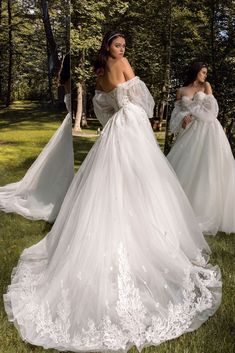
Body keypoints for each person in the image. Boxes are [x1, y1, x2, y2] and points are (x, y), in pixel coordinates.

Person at [4, 32, 221, 352]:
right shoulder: (120, 63)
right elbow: (142, 97)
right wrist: (134, 100)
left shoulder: (98, 72)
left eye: (124, 47)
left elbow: (101, 104)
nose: (122, 50)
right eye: (118, 45)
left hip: (115, 127)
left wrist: (118, 105)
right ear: (109, 46)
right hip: (131, 125)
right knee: (144, 177)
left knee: (112, 179)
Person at [0, 53, 74, 222]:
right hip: (67, 126)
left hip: (67, 125)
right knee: (62, 165)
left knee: (60, 164)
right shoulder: (69, 82)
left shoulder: (66, 81)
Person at [167, 62, 235, 235]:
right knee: (187, 166)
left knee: (208, 167)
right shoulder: (181, 91)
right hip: (190, 132)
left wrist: (194, 113)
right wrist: (183, 118)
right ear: (196, 72)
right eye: (203, 72)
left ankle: (206, 209)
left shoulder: (206, 86)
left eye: (206, 72)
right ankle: (181, 208)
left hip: (209, 131)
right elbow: (175, 114)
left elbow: (212, 110)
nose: (205, 75)